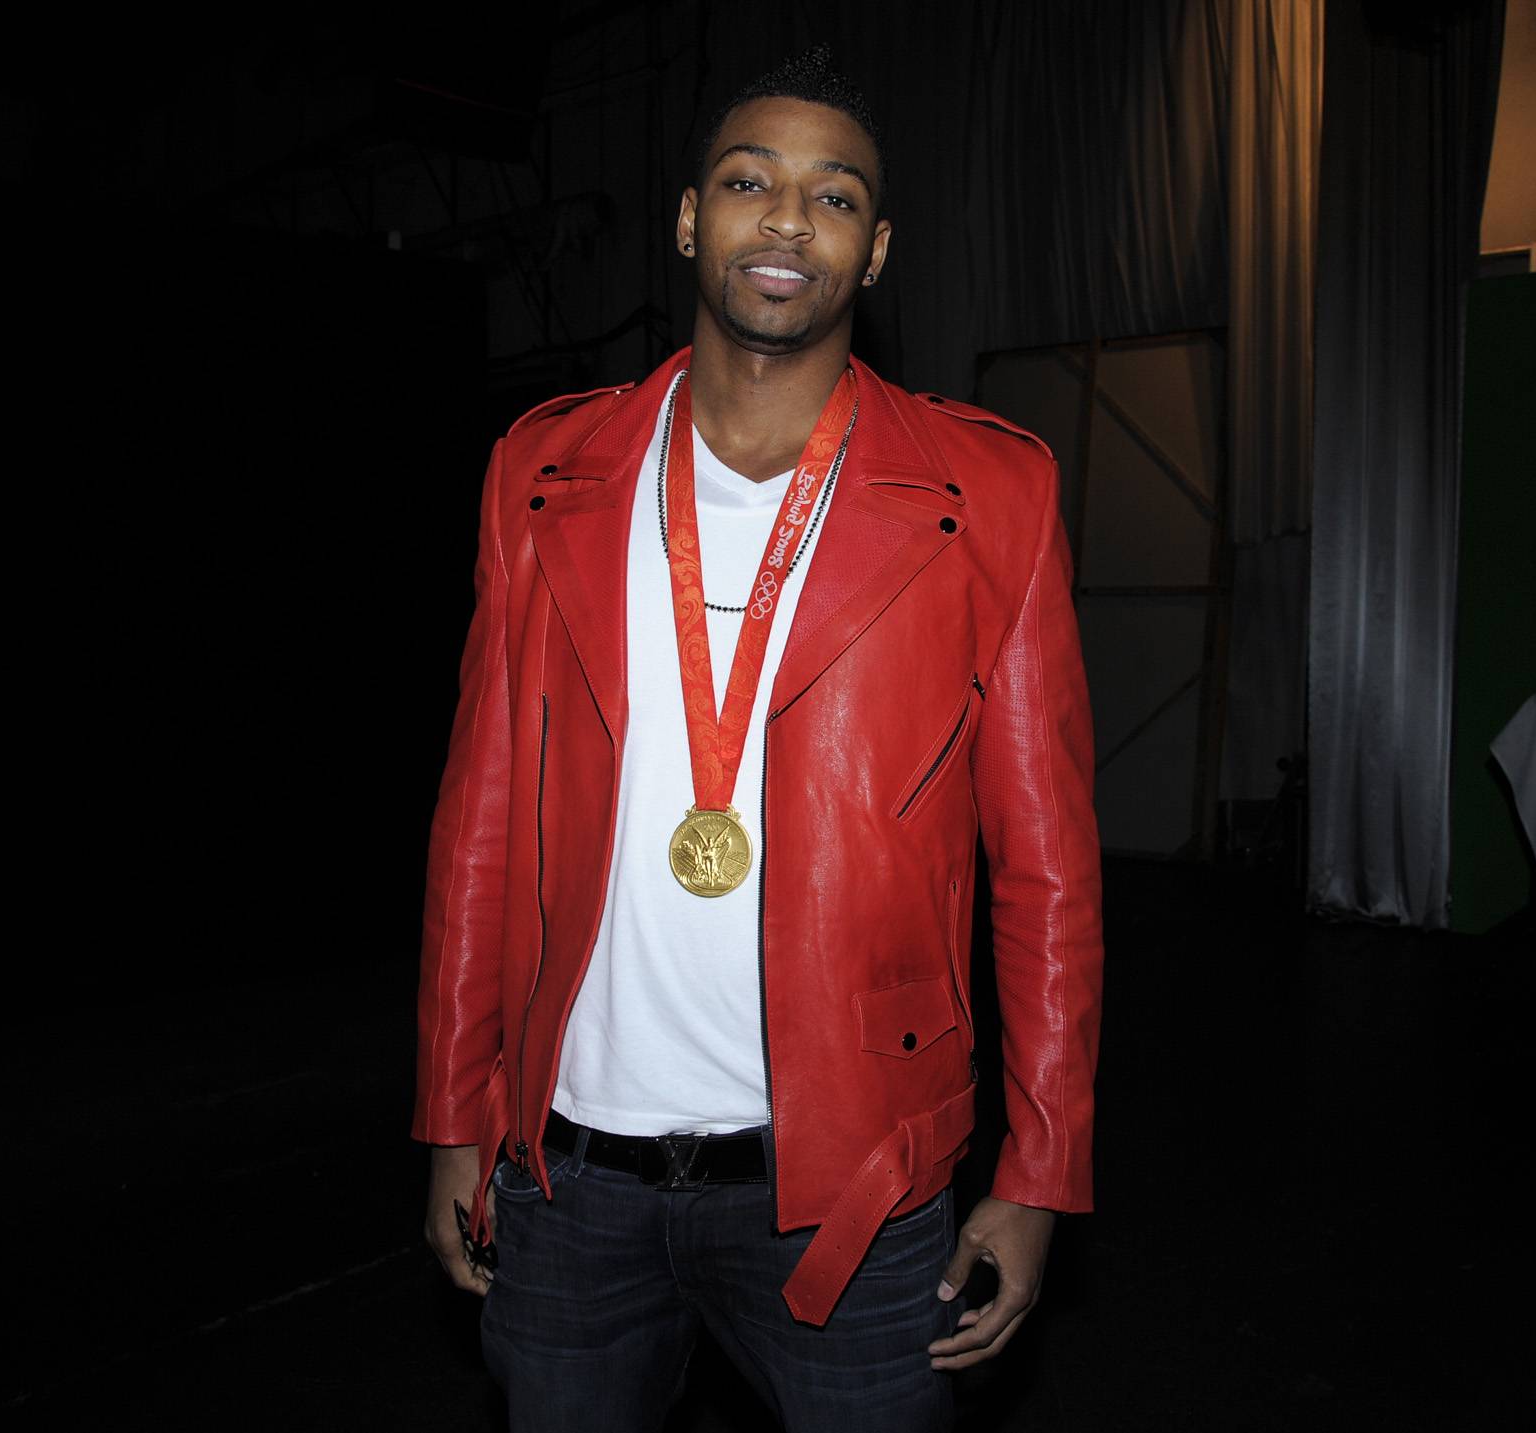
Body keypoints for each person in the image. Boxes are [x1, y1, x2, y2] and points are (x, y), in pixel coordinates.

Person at [414, 46, 1103, 1433]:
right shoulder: (546, 477)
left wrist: (1038, 1169)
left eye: (833, 196)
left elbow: (1050, 869)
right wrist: (451, 1113)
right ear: (687, 220)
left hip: (857, 1190)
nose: (788, 218)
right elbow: (479, 814)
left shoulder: (993, 493)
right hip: (568, 1181)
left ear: (878, 246)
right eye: (748, 181)